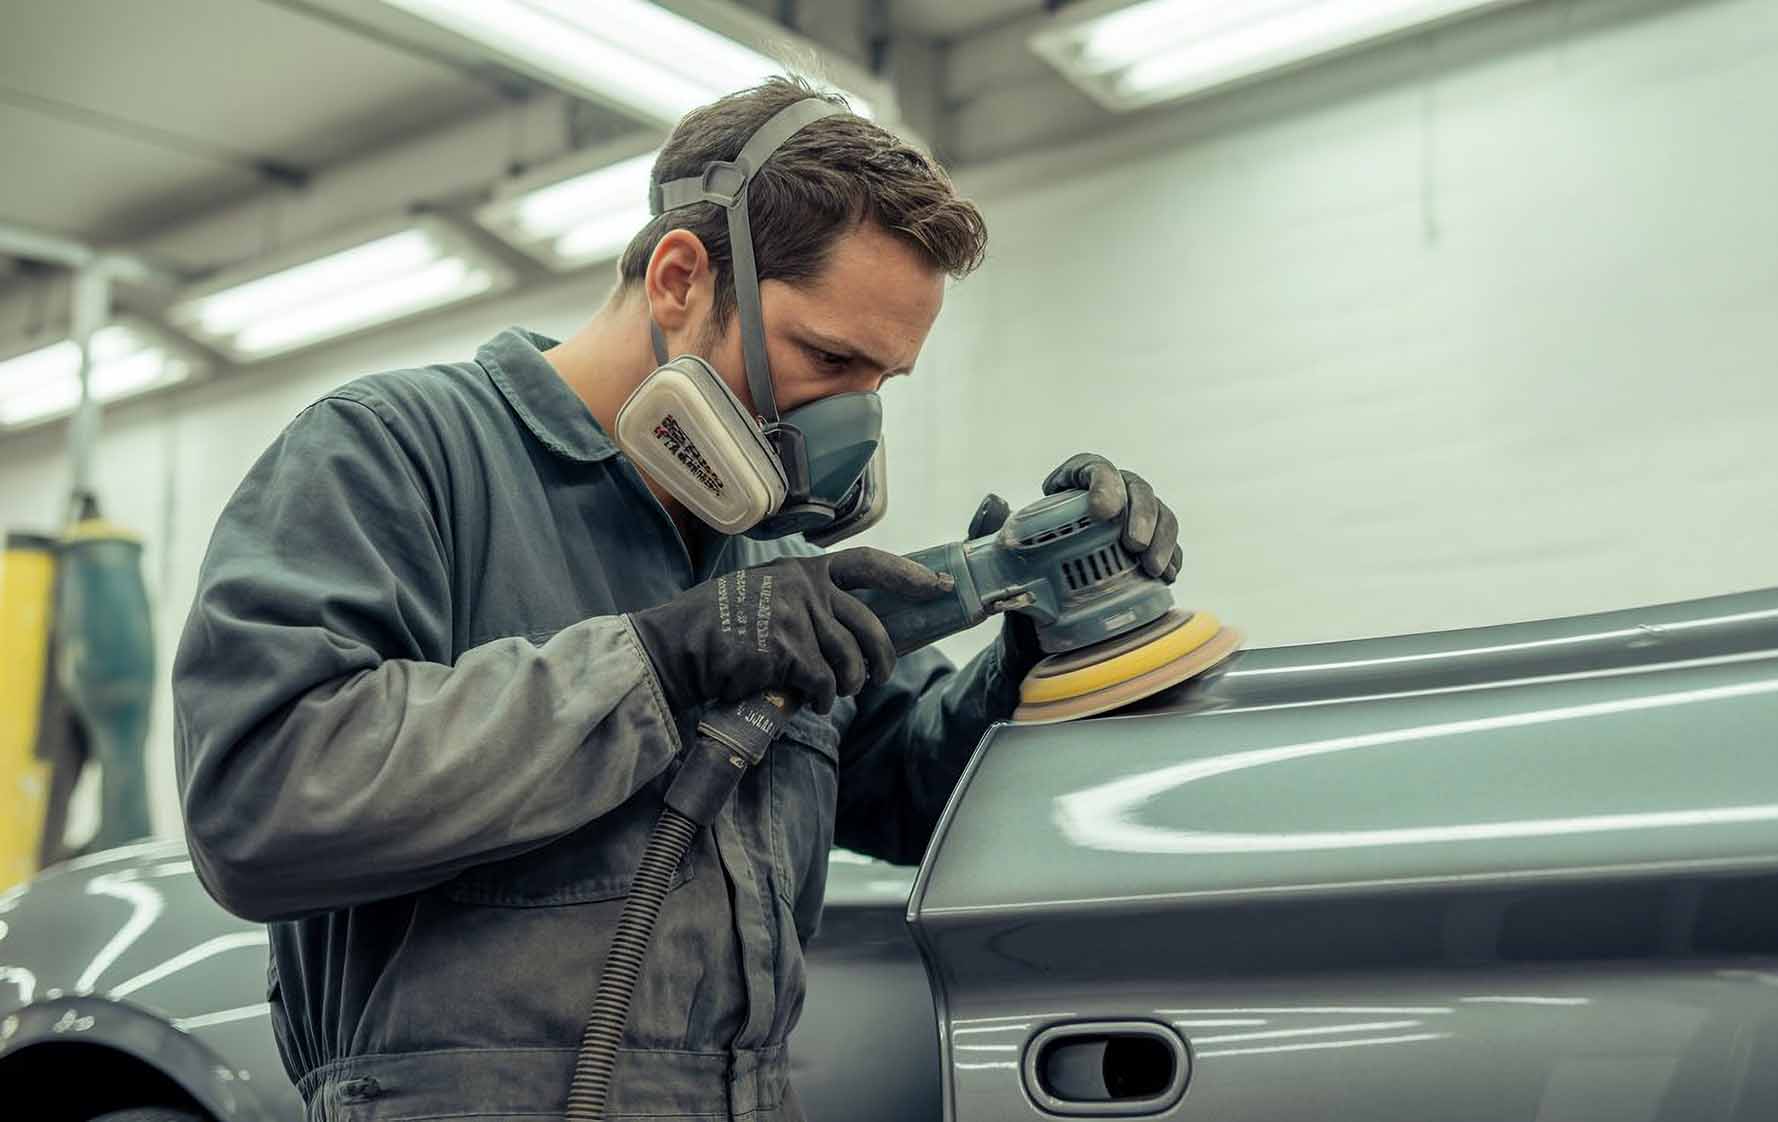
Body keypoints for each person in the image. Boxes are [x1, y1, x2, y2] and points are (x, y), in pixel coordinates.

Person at [173, 75, 1182, 1121]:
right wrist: (659, 659)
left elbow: (911, 784)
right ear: (677, 278)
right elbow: (261, 803)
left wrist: (1030, 650)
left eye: (878, 383)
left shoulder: (767, 548)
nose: (847, 421)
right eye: (826, 358)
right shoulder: (397, 453)